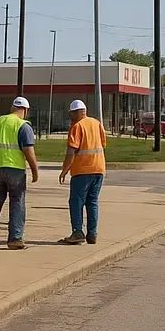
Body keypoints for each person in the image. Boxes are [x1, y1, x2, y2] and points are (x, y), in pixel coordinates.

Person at [0, 96, 40, 249]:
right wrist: (35, 170)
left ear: (12, 108)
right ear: (26, 110)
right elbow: (28, 150)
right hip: (16, 171)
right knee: (17, 202)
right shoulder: (23, 126)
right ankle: (15, 238)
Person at [57, 99, 106, 245]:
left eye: (71, 113)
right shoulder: (96, 123)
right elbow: (103, 144)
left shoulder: (77, 126)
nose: (70, 116)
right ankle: (92, 234)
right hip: (99, 169)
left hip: (82, 171)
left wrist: (64, 170)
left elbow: (71, 151)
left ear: (76, 112)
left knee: (76, 202)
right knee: (92, 201)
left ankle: (77, 232)